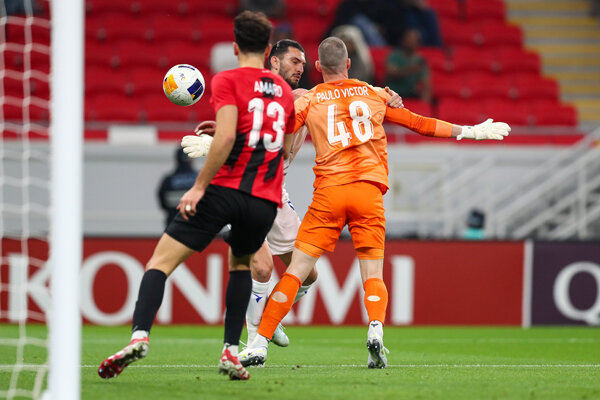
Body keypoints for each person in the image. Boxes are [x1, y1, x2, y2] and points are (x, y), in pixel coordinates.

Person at [238, 36, 510, 369]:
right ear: (349, 64)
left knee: (296, 270)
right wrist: (472, 132)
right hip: (368, 191)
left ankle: (259, 344)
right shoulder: (375, 94)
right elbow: (420, 125)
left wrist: (220, 144)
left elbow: (272, 134)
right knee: (372, 271)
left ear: (320, 67)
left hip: (330, 192)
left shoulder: (309, 100)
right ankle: (376, 331)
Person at [97, 10, 296, 381]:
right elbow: (276, 148)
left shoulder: (226, 80)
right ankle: (231, 352)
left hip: (225, 190)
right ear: (268, 48)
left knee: (160, 262)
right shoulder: (283, 91)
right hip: (264, 201)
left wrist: (200, 184)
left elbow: (225, 140)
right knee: (240, 267)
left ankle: (139, 336)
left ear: (236, 47)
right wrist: (230, 130)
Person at [182, 39, 405, 349]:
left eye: (303, 62)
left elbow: (350, 99)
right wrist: (219, 139)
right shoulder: (256, 94)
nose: (300, 68)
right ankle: (253, 340)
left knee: (310, 275)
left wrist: (388, 96)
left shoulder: (305, 98)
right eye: (294, 62)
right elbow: (245, 130)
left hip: (277, 195)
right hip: (246, 190)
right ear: (274, 63)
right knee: (261, 267)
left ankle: (271, 321)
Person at [385, 28, 432, 104]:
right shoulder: (394, 56)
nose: (411, 41)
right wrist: (410, 70)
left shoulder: (420, 60)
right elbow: (391, 73)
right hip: (393, 94)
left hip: (410, 94)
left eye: (414, 39)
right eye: (409, 39)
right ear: (403, 40)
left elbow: (426, 85)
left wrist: (425, 104)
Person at [157, 148, 198, 227]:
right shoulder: (199, 179)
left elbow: (162, 202)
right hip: (194, 225)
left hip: (173, 225)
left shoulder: (168, 180)